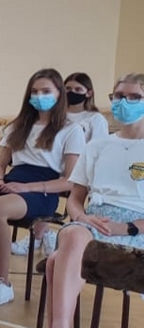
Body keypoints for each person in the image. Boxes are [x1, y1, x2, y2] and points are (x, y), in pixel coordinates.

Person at [0, 68, 84, 307]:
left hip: (44, 188)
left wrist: (28, 187)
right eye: (35, 92)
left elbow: (69, 181)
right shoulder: (19, 126)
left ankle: (3, 282)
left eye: (46, 91)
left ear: (59, 94)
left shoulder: (71, 130)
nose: (39, 96)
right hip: (14, 180)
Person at [43, 73, 144, 328]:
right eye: (119, 96)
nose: (125, 102)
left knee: (55, 261)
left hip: (136, 227)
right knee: (73, 234)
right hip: (94, 219)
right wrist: (81, 216)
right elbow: (75, 198)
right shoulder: (99, 145)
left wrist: (126, 227)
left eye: (135, 97)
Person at [12, 71, 108, 257]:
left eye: (78, 89)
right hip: (55, 167)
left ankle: (47, 237)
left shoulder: (95, 119)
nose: (72, 93)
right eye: (68, 88)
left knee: (55, 187)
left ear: (88, 93)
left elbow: (99, 149)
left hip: (80, 171)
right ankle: (41, 235)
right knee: (44, 181)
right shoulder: (57, 116)